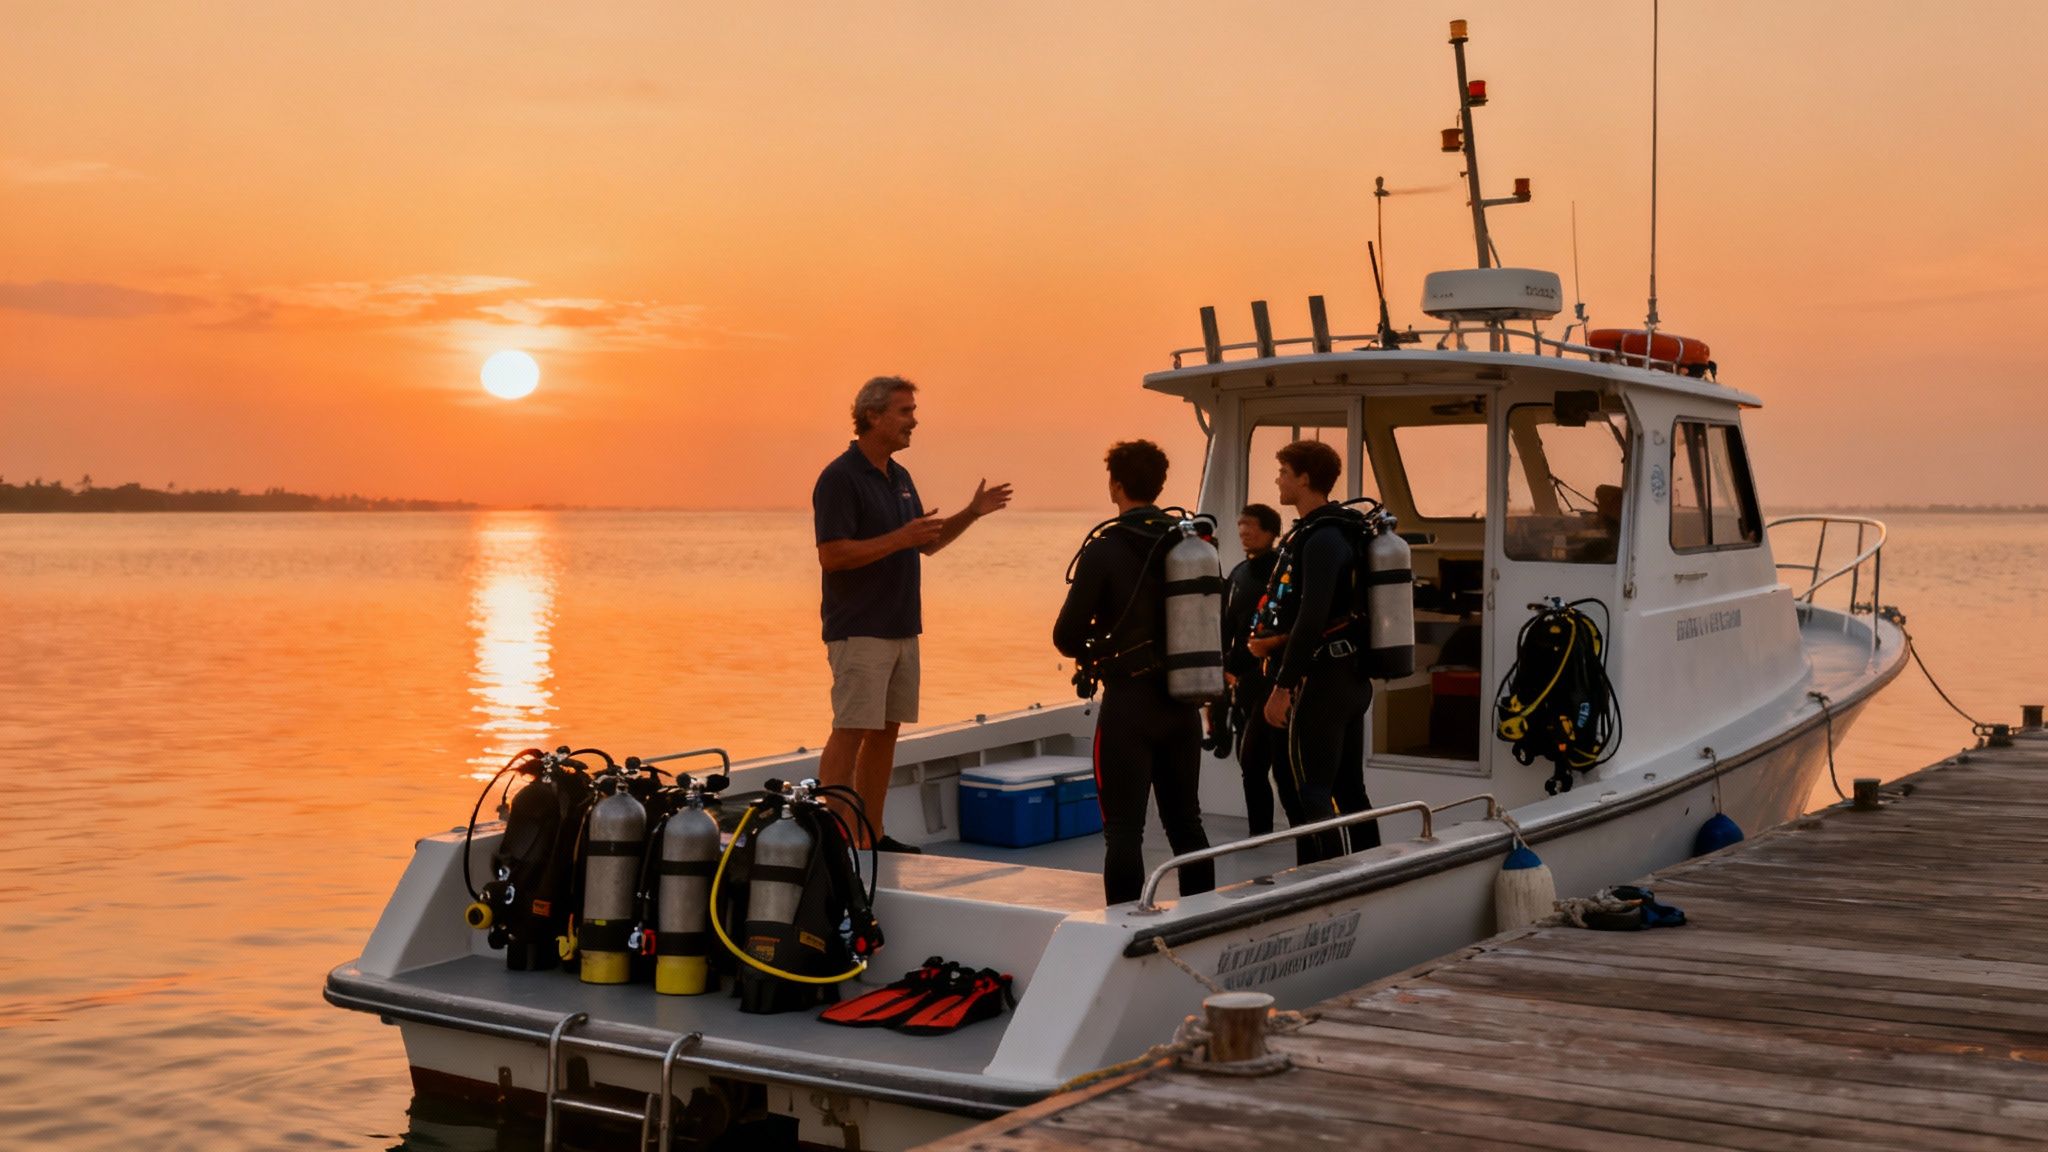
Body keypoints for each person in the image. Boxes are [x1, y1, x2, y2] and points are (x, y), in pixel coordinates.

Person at [813, 375, 1012, 852]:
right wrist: (899, 539)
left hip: (903, 628)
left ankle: (870, 835)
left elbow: (928, 543)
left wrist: (971, 512)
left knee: (886, 733)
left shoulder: (899, 477)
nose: (913, 421)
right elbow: (832, 555)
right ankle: (831, 838)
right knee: (850, 730)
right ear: (873, 415)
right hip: (859, 630)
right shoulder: (839, 478)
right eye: (904, 412)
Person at [1052, 440, 1214, 905]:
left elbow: (1066, 635)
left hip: (1129, 705)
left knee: (1124, 829)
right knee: (1187, 823)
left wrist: (1098, 651)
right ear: (1160, 484)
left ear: (1115, 485)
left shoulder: (1105, 550)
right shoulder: (1189, 544)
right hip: (1181, 701)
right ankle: (1201, 914)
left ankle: (1123, 926)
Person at [1251, 440, 1377, 864]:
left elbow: (1311, 617)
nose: (1278, 480)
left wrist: (1282, 686)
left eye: (1283, 472)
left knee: (1312, 792)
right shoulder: (1339, 531)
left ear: (1304, 479)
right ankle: (1371, 872)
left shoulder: (1321, 539)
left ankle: (1326, 884)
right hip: (1349, 677)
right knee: (1349, 788)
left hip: (1323, 682)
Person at [1215, 503, 1296, 836]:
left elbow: (1294, 627)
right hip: (1245, 684)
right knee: (1251, 765)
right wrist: (1221, 671)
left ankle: (1303, 835)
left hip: (1275, 682)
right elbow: (1227, 629)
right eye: (1240, 525)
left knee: (1281, 768)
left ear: (1271, 531)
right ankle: (1259, 834)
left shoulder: (1284, 572)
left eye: (1251, 525)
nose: (1244, 531)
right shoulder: (1238, 574)